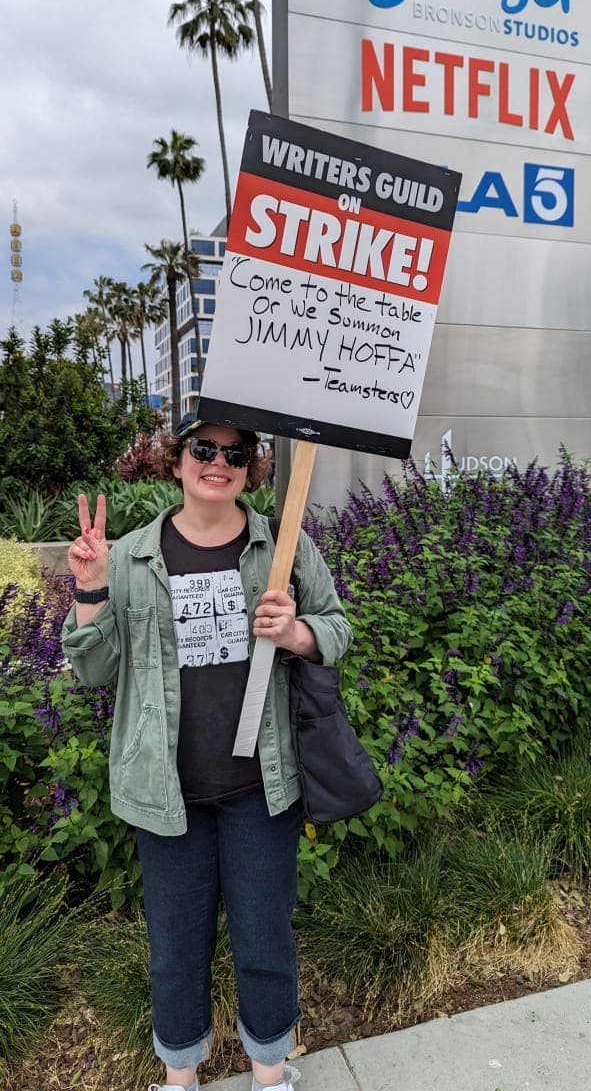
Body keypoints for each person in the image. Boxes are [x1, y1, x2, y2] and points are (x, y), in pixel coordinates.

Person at [61, 414, 352, 1091]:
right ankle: (180, 1078)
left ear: (252, 467)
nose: (217, 461)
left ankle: (269, 1074)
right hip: (166, 791)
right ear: (177, 460)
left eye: (235, 452)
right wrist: (89, 587)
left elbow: (335, 628)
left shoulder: (282, 546)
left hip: (261, 787)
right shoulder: (131, 556)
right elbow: (95, 670)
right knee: (175, 948)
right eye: (203, 448)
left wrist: (299, 632)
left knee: (264, 940)